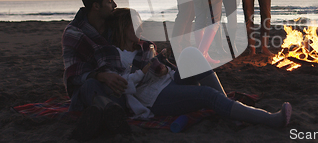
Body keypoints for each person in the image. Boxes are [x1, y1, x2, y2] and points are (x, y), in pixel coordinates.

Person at [109, 8, 292, 127]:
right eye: (136, 24)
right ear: (123, 27)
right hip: (155, 98)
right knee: (206, 94)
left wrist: (164, 67)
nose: (141, 27)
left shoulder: (144, 46)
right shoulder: (116, 54)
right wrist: (144, 71)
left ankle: (230, 110)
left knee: (190, 53)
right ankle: (269, 119)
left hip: (169, 81)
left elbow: (162, 68)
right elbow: (124, 86)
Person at [63, 0, 131, 140]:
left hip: (115, 83)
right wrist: (101, 76)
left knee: (118, 86)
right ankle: (111, 117)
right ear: (96, 6)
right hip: (89, 89)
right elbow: (74, 74)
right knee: (90, 85)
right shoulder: (74, 33)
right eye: (110, 1)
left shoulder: (113, 27)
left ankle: (99, 118)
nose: (115, 5)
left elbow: (135, 40)